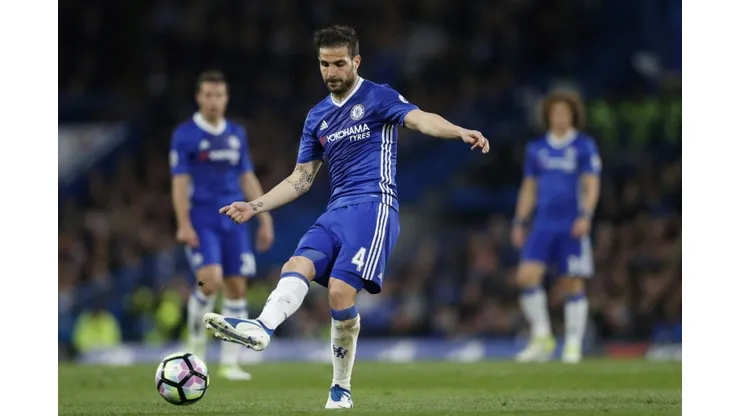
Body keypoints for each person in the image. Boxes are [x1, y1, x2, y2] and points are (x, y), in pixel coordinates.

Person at [203, 25, 489, 408]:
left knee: (339, 290)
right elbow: (301, 179)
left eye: (339, 63)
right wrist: (255, 206)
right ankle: (262, 327)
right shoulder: (317, 116)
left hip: (374, 206)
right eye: (324, 64)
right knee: (295, 265)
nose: (331, 71)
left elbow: (420, 119)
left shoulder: (378, 96)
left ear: (356, 61)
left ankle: (341, 389)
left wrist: (457, 131)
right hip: (335, 210)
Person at [170, 70, 275, 381]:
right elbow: (179, 182)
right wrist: (183, 223)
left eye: (219, 95)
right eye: (208, 95)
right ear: (198, 97)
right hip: (203, 218)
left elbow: (246, 176)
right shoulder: (185, 134)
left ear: (226, 98)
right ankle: (195, 349)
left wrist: (264, 216)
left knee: (237, 288)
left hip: (235, 219)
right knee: (209, 281)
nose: (214, 101)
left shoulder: (236, 133)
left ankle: (230, 362)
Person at [510, 90, 602, 364]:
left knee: (572, 282)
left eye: (565, 112)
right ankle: (542, 337)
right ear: (548, 116)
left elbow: (591, 183)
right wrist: (520, 220)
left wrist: (586, 215)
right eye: (555, 112)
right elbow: (529, 187)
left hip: (571, 224)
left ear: (573, 116)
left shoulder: (583, 146)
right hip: (542, 224)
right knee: (526, 276)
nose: (560, 117)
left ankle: (573, 343)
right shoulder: (536, 149)